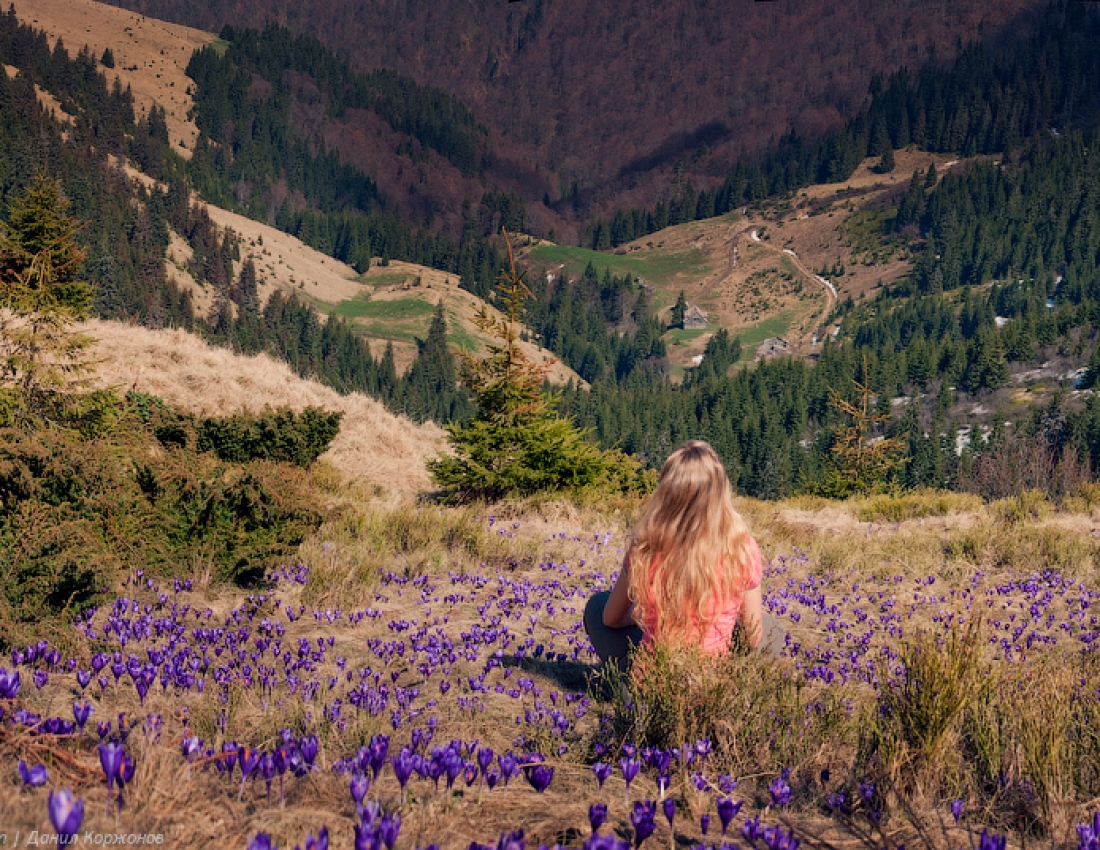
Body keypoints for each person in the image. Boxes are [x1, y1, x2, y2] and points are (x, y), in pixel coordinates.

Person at [583, 440, 784, 669]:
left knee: (597, 606)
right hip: (711, 682)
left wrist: (637, 616)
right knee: (770, 628)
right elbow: (753, 636)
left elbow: (611, 618)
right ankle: (733, 677)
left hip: (650, 684)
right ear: (720, 493)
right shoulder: (742, 548)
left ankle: (622, 681)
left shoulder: (645, 547)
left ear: (666, 492)